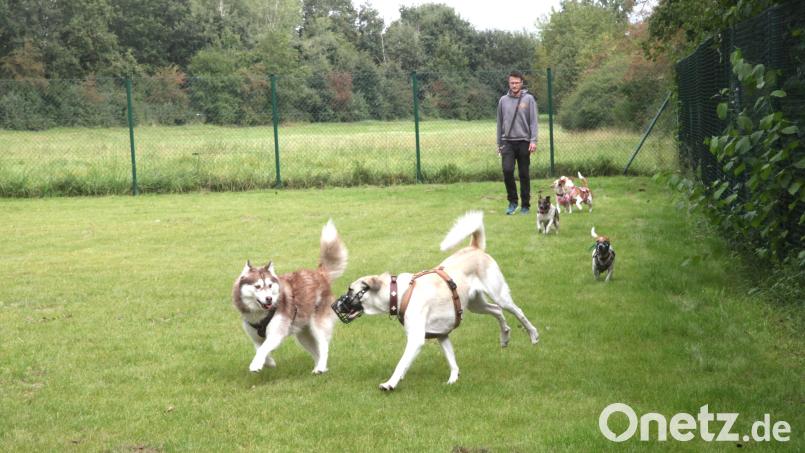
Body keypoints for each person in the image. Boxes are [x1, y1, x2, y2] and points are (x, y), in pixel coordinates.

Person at [496, 70, 538, 215]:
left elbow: (533, 121)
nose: (514, 85)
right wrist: (499, 143)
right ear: (509, 83)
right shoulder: (503, 100)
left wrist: (533, 140)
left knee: (524, 174)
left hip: (524, 141)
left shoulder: (529, 99)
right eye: (512, 83)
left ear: (521, 83)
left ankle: (525, 205)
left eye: (516, 83)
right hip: (507, 142)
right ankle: (513, 202)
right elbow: (499, 123)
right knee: (507, 171)